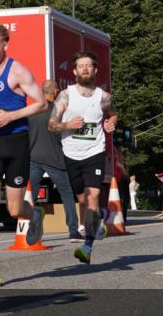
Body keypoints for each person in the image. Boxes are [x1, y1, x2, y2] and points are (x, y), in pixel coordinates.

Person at [0, 24, 48, 285]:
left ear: (5, 45)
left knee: (14, 210)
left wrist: (11, 116)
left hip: (16, 143)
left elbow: (41, 103)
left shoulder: (17, 71)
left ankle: (34, 215)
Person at [48, 51, 118, 264]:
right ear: (74, 71)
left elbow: (112, 113)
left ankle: (87, 247)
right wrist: (67, 125)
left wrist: (111, 123)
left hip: (94, 153)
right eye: (81, 66)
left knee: (90, 199)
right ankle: (98, 219)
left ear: (95, 70)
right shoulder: (65, 96)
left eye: (89, 65)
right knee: (83, 202)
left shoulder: (103, 97)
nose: (85, 69)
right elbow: (51, 125)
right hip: (71, 154)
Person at [28, 80, 82, 243]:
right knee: (66, 194)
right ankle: (73, 231)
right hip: (54, 159)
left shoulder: (31, 111)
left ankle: (31, 232)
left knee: (31, 197)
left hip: (33, 158)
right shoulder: (57, 111)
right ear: (55, 91)